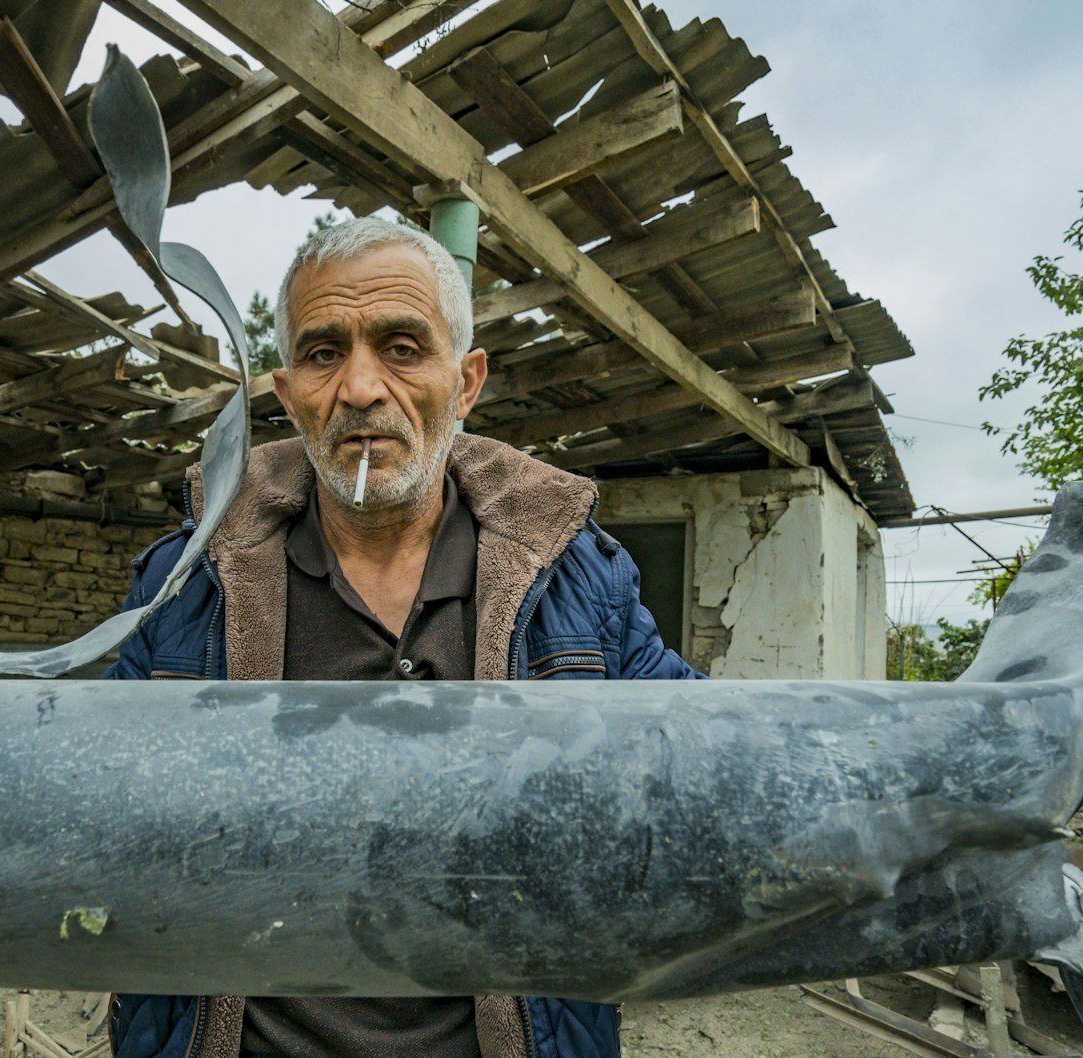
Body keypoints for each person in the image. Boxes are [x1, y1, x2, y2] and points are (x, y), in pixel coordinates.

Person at [104, 216, 703, 1058]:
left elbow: (702, 773)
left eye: (402, 347)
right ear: (289, 397)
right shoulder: (190, 582)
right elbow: (100, 811)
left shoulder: (575, 577)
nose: (359, 388)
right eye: (323, 353)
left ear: (465, 384)